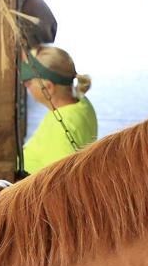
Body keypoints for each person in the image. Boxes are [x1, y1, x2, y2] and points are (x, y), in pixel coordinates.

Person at [20, 44, 98, 175]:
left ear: (48, 87)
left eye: (28, 82)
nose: (25, 85)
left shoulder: (60, 129)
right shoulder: (82, 103)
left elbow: (62, 180)